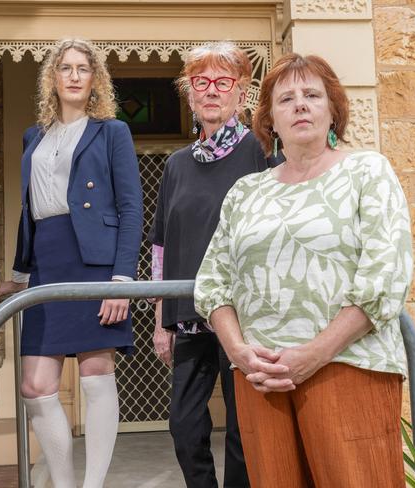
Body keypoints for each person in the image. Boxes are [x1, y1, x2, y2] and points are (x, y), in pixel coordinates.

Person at [194, 53, 413, 488]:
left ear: (333, 108)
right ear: (269, 119)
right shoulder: (245, 192)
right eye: (286, 98)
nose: (300, 104)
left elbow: (384, 276)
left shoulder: (367, 171)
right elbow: (212, 283)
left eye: (312, 95)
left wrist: (313, 354)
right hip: (261, 379)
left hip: (349, 365)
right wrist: (239, 353)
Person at [0, 38, 142, 488]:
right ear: (52, 79)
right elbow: (30, 210)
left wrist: (122, 279)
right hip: (46, 262)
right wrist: (20, 274)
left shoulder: (112, 131)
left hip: (96, 262)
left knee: (96, 372)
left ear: (95, 79)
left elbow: (131, 206)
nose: (74, 75)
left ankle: (92, 484)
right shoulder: (32, 136)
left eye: (83, 68)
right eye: (65, 68)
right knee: (35, 386)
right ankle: (63, 482)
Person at [149, 41, 274, 488]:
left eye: (223, 82)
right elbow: (161, 244)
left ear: (242, 93)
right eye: (201, 83)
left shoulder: (261, 154)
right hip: (188, 314)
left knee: (243, 429)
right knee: (184, 425)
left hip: (243, 315)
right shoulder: (177, 165)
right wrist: (162, 319)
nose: (211, 91)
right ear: (189, 93)